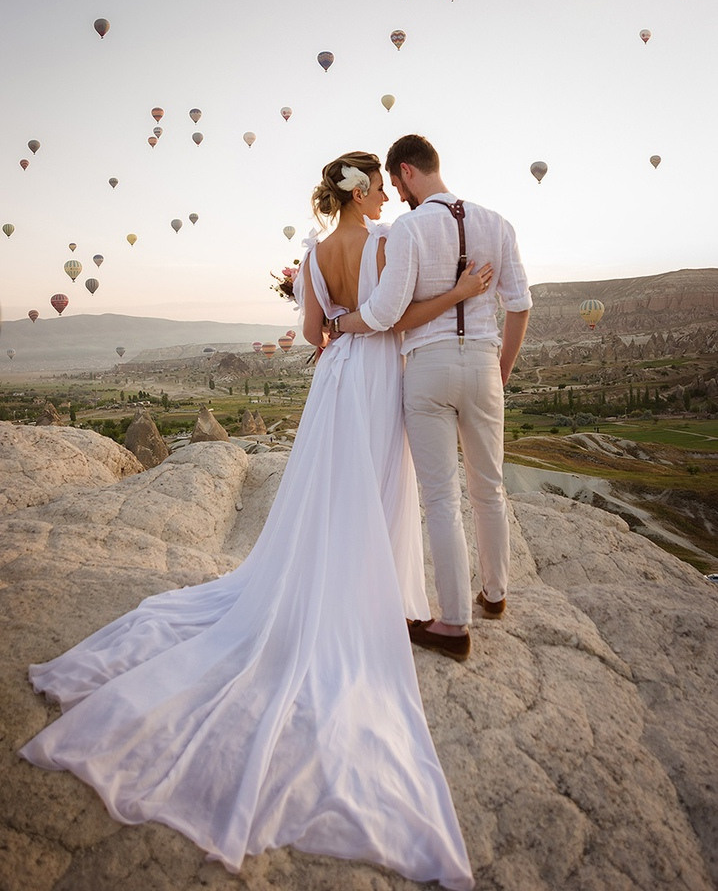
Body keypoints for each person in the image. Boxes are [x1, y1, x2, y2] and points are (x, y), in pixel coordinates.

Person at [19, 151, 490, 891]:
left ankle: (333, 588)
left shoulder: (313, 250)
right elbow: (394, 319)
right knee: (377, 487)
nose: (381, 195)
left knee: (332, 490)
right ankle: (377, 600)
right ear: (364, 189)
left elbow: (314, 335)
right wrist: (462, 290)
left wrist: (336, 319)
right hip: (375, 377)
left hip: (335, 379)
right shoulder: (392, 242)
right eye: (375, 186)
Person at [334, 136, 532, 662]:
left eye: (396, 184)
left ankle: (453, 624)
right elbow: (520, 305)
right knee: (489, 486)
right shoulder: (497, 223)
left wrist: (344, 322)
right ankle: (495, 595)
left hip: (428, 368)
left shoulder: (411, 229)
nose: (395, 194)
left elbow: (387, 314)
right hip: (485, 364)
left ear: (405, 171)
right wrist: (503, 366)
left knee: (442, 499)